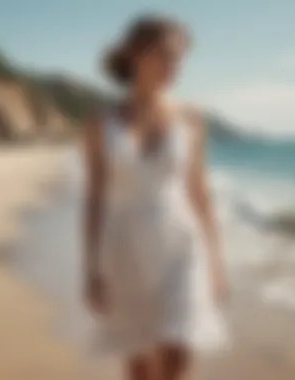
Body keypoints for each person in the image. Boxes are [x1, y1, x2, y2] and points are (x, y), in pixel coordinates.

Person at [83, 14, 229, 380]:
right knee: (139, 362)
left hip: (182, 245)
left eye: (178, 58)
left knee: (179, 349)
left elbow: (200, 193)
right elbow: (95, 199)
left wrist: (215, 261)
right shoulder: (100, 122)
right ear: (135, 52)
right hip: (126, 249)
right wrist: (91, 269)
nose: (173, 66)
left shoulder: (191, 117)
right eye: (165, 55)